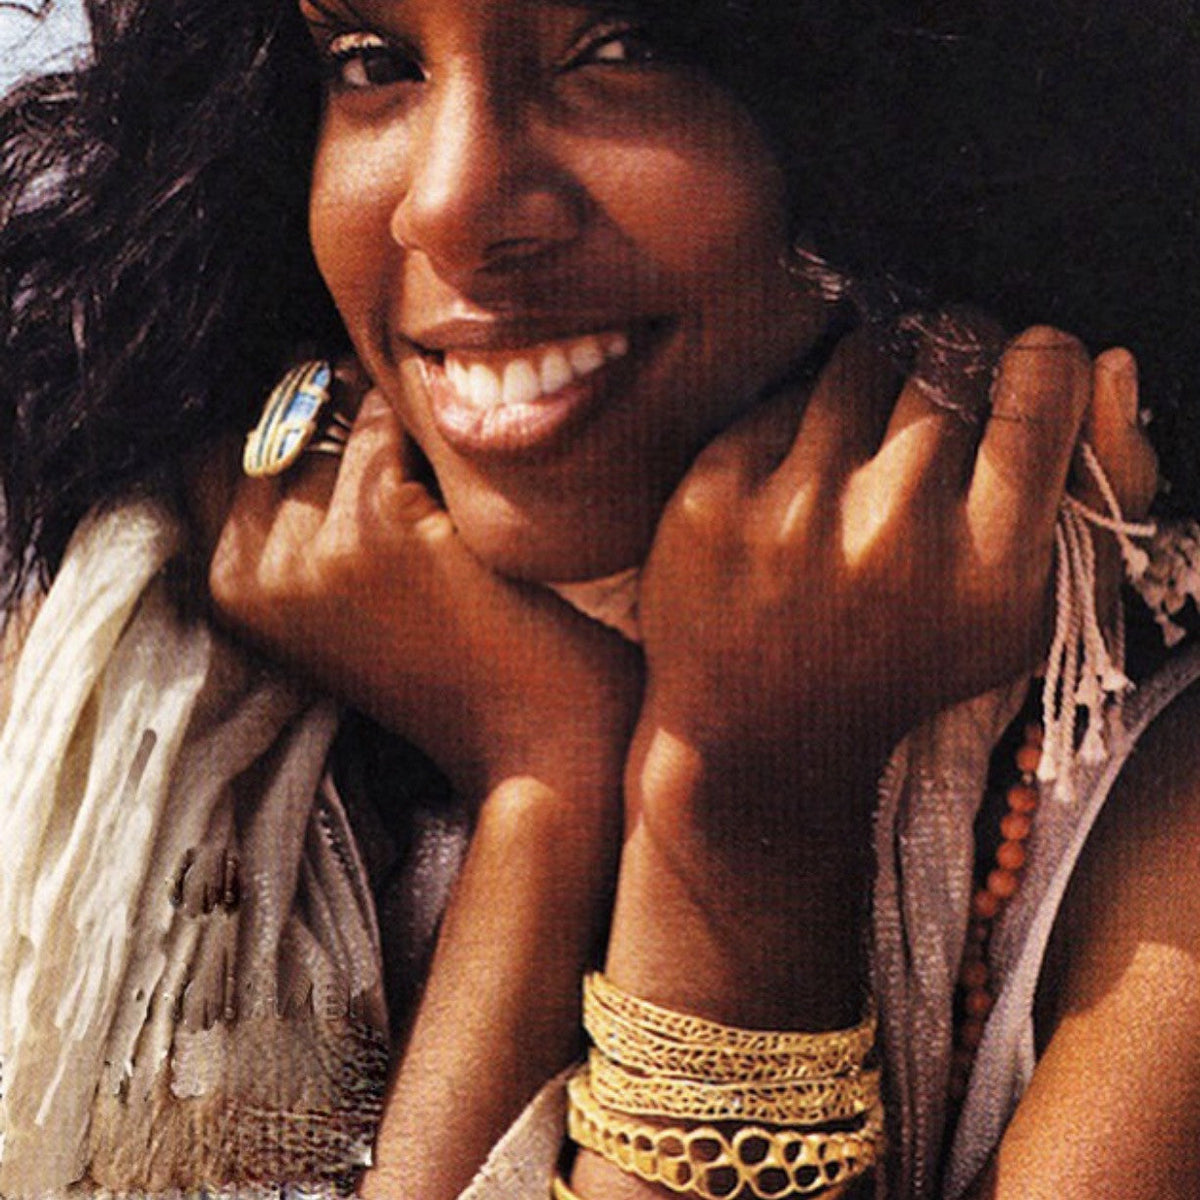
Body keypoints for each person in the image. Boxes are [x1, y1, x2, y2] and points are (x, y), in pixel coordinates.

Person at [1, 1, 1199, 1198]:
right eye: (372, 64)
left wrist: (746, 814)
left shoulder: (1156, 819)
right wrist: (543, 776)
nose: (449, 204)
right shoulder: (129, 673)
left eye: (624, 48)